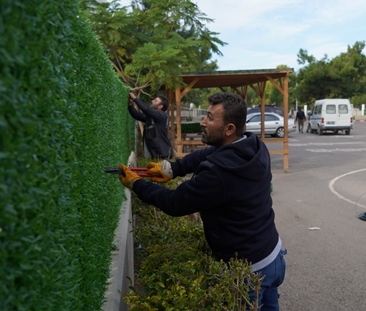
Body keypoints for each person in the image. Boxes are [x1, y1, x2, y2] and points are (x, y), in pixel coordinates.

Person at [118, 92, 286, 310]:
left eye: (209, 117)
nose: (203, 122)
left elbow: (174, 202)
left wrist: (137, 184)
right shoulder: (254, 146)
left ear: (229, 129)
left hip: (249, 272)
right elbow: (209, 153)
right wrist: (174, 168)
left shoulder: (218, 174)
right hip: (274, 256)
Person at [128, 92, 172, 159]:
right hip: (156, 154)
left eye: (155, 101)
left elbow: (146, 109)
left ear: (160, 106)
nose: (152, 101)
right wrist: (130, 104)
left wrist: (135, 98)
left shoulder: (162, 116)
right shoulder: (151, 117)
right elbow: (137, 115)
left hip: (163, 154)